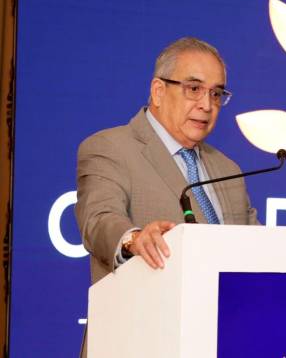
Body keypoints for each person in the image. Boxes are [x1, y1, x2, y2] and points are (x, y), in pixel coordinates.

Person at [75, 37, 258, 356]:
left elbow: (256, 250)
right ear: (159, 91)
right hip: (137, 342)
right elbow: (99, 219)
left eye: (217, 93)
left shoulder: (227, 168)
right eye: (194, 89)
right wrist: (133, 239)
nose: (207, 104)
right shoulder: (110, 148)